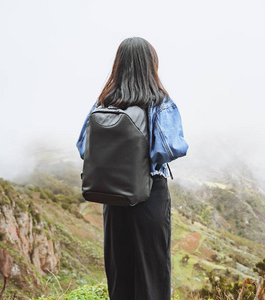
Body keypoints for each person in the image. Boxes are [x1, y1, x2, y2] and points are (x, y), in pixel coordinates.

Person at [76, 37, 188, 300]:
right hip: (149, 195)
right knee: (152, 270)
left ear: (119, 64)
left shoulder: (104, 102)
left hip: (113, 197)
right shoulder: (158, 101)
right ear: (151, 64)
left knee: (120, 271)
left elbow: (84, 147)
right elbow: (170, 148)